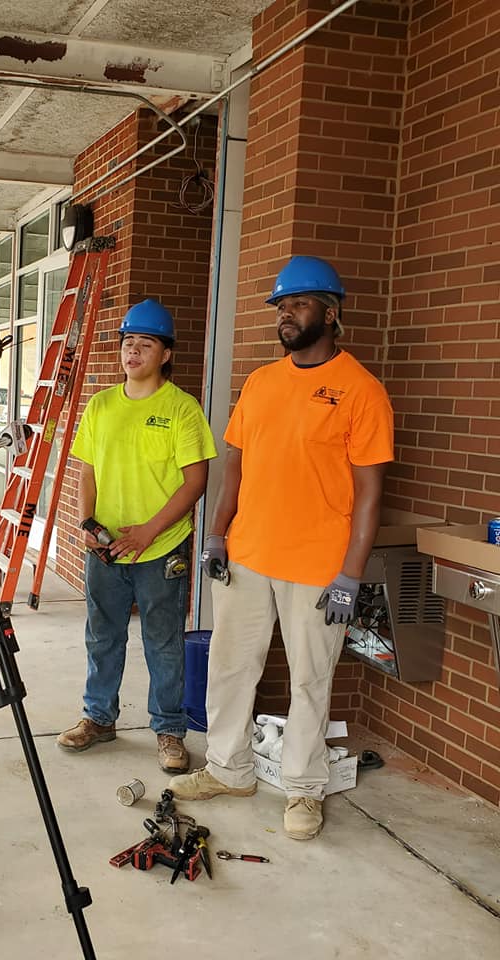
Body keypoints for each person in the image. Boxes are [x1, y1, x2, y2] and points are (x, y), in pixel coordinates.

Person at [168, 256, 394, 841]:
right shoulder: (262, 383)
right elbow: (235, 471)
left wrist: (350, 573)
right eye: (281, 306)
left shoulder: (361, 391)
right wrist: (218, 534)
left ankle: (302, 789)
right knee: (230, 666)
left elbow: (370, 495)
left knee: (310, 679)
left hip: (318, 566)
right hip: (247, 556)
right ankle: (229, 769)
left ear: (331, 312)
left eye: (297, 304)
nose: (285, 315)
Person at [56, 299, 217, 774]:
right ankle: (98, 718)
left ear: (165, 354)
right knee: (102, 635)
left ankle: (168, 730)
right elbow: (86, 471)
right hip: (106, 549)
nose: (133, 353)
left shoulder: (182, 409)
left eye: (145, 345)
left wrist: (149, 531)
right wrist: (87, 523)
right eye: (128, 344)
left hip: (161, 548)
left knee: (162, 641)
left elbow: (195, 481)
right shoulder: (101, 404)